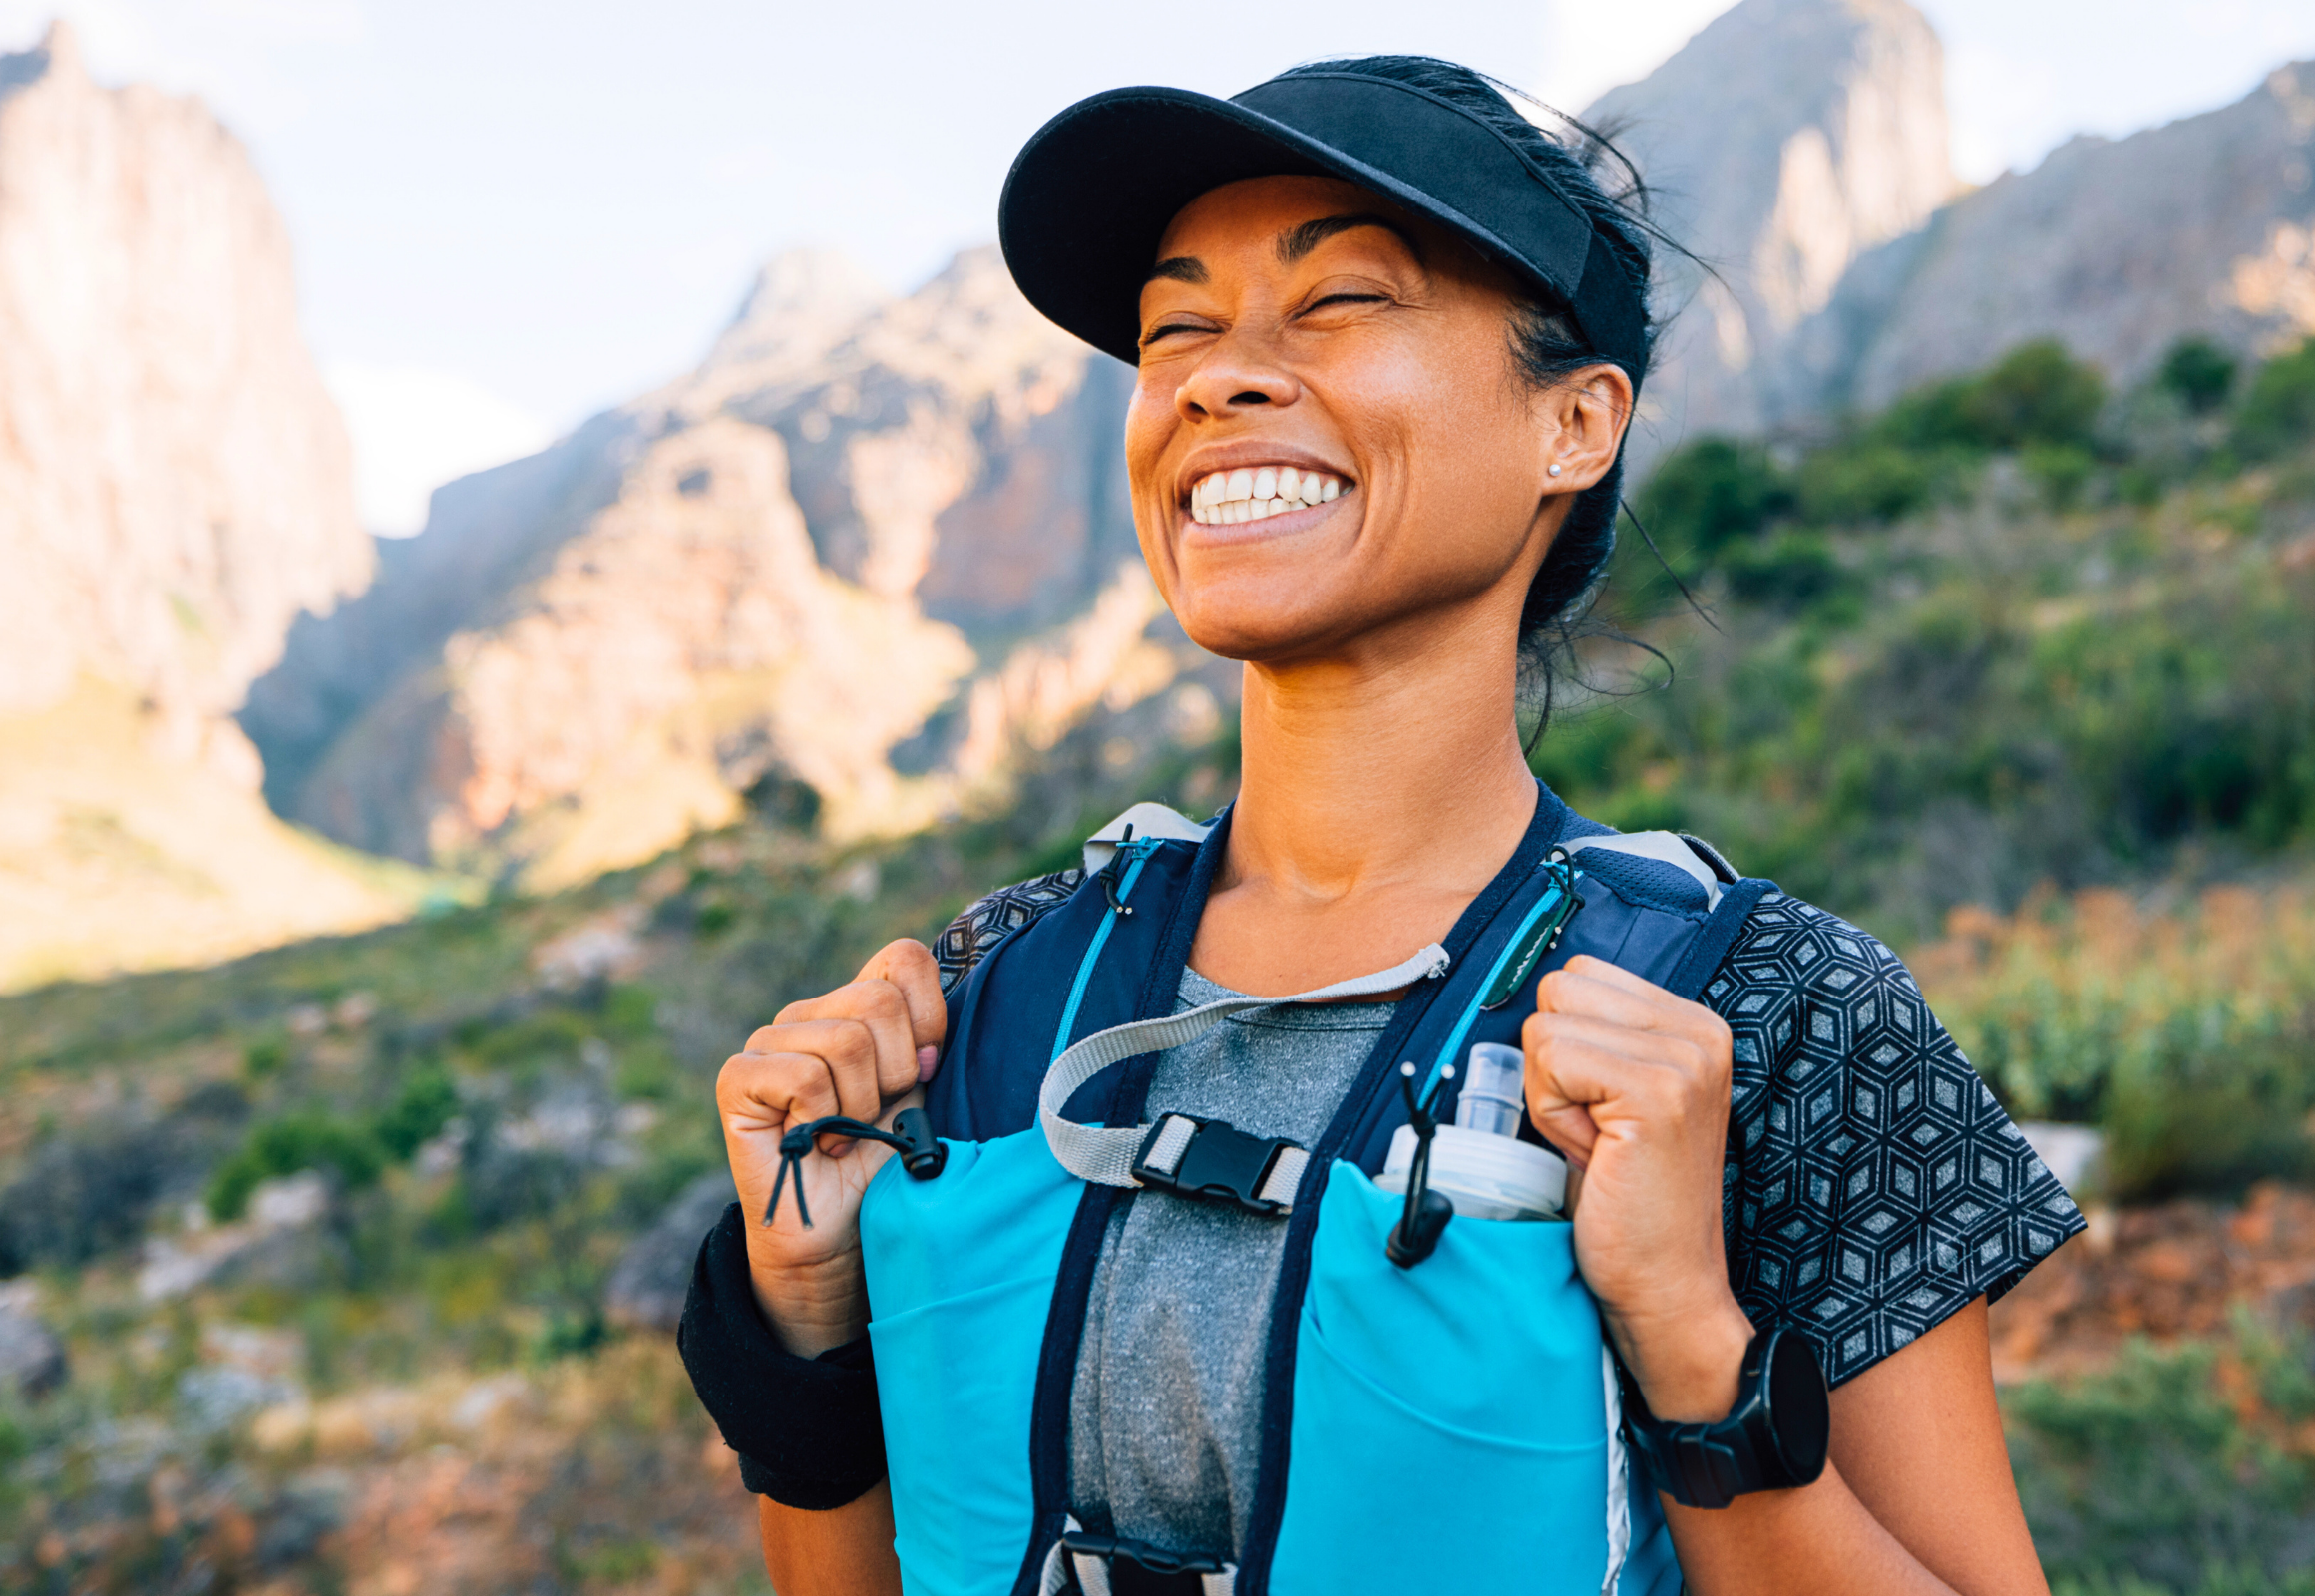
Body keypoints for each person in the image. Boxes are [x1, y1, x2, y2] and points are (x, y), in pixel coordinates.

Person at [679, 55, 2084, 1596]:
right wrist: (798, 1317)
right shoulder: (997, 986)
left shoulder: (1777, 1019)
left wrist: (1690, 1335)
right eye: (1176, 330)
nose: (1218, 376)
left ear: (1577, 424)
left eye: (1341, 301)